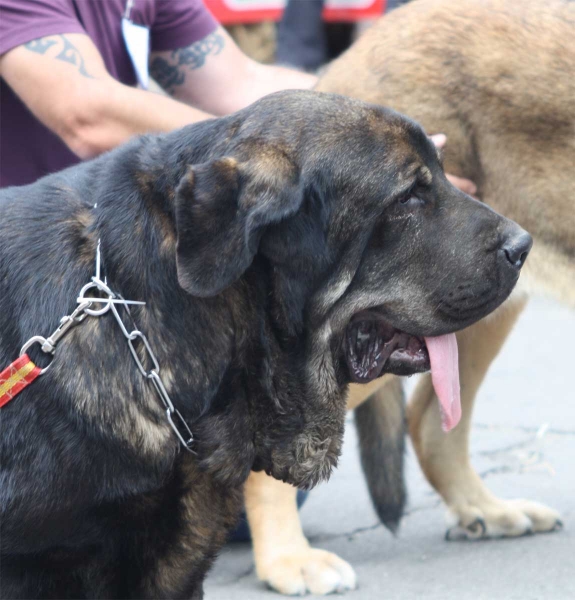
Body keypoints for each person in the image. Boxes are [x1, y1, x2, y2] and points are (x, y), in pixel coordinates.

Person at [0, 0, 317, 188]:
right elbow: (88, 115)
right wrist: (260, 147)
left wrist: (353, 104)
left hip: (73, 235)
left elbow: (240, 81)